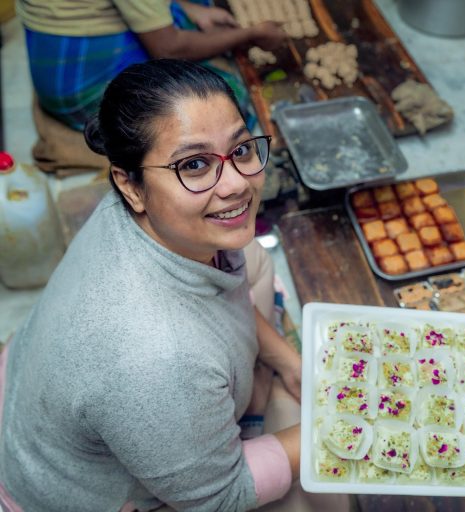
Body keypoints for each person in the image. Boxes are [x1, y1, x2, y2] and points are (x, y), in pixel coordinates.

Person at [0, 59, 347, 512]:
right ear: (131, 186)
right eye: (195, 164)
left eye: (241, 151)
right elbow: (222, 496)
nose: (237, 184)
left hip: (45, 394)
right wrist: (340, 423)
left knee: (253, 259)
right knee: (322, 496)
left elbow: (227, 288)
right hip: (75, 491)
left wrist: (287, 360)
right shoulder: (156, 359)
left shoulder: (134, 210)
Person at [18, 0, 283, 131]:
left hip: (49, 54)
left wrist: (192, 10)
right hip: (77, 91)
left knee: (197, 7)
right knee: (223, 98)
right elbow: (169, 48)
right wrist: (251, 34)